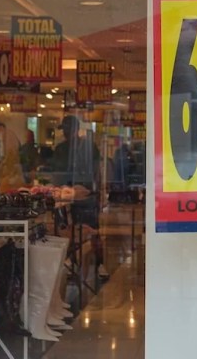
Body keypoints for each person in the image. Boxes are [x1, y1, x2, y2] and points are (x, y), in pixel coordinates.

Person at [49, 115, 108, 278]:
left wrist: (99, 192)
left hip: (84, 195)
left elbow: (97, 172)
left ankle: (98, 264)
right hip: (69, 195)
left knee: (91, 231)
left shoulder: (87, 147)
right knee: (69, 230)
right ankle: (74, 262)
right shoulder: (62, 149)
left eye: (68, 129)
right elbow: (57, 173)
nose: (66, 133)